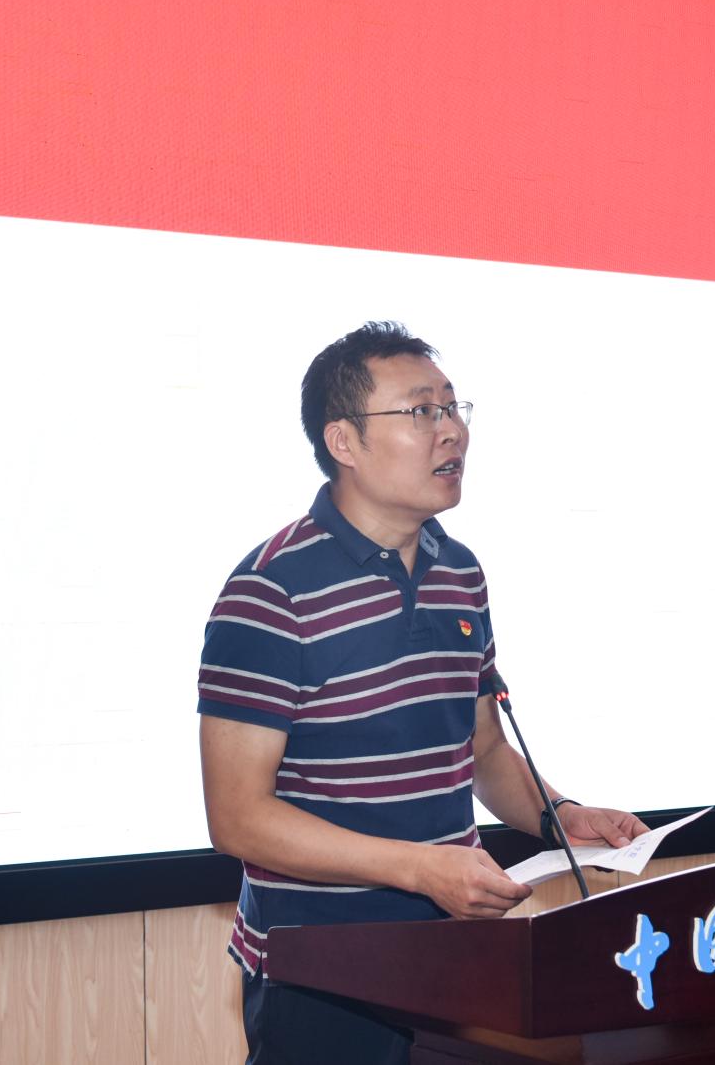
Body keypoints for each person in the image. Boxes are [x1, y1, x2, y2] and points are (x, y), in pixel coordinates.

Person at [198, 322, 648, 1064]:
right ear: (344, 441)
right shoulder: (270, 591)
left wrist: (562, 818)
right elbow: (238, 818)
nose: (452, 431)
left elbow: (485, 753)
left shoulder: (460, 573)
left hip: (453, 957)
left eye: (452, 407)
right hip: (321, 971)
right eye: (420, 411)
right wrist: (417, 867)